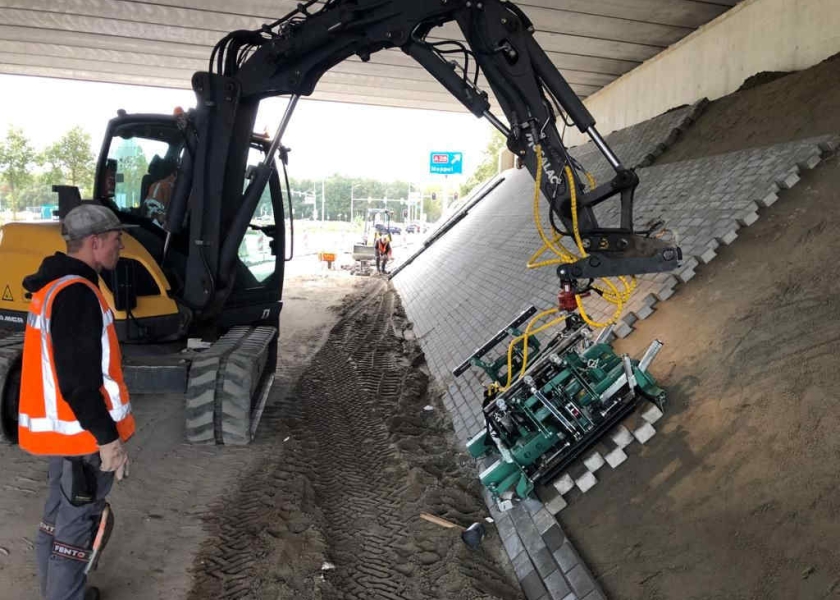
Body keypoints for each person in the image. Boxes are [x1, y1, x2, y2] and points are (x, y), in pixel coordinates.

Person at [18, 203, 138, 600]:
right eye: (117, 241)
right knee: (77, 529)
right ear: (95, 241)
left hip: (64, 436)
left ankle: (56, 592)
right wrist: (108, 440)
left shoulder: (52, 286)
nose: (120, 247)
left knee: (56, 521)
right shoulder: (77, 294)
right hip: (85, 439)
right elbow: (79, 383)